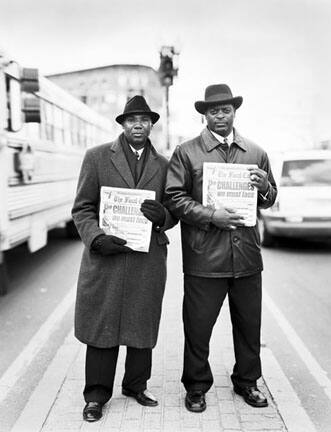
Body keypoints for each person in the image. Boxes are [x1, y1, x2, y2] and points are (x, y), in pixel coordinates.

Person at [164, 84, 277, 413]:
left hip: (246, 258)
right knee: (198, 328)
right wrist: (211, 215)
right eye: (214, 111)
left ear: (234, 112)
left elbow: (269, 200)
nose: (220, 116)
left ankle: (247, 381)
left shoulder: (255, 152)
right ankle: (197, 386)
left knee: (248, 326)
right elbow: (174, 198)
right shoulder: (186, 152)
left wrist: (265, 186)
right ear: (204, 115)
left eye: (225, 110)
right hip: (204, 258)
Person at [72, 95, 176, 422]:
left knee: (141, 323)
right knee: (103, 326)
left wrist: (163, 216)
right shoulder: (97, 157)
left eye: (144, 120)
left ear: (151, 125)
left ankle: (136, 385)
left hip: (146, 260)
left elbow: (174, 208)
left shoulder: (164, 165)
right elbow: (82, 208)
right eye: (132, 120)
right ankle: (96, 395)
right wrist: (96, 238)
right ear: (122, 123)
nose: (138, 125)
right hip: (107, 258)